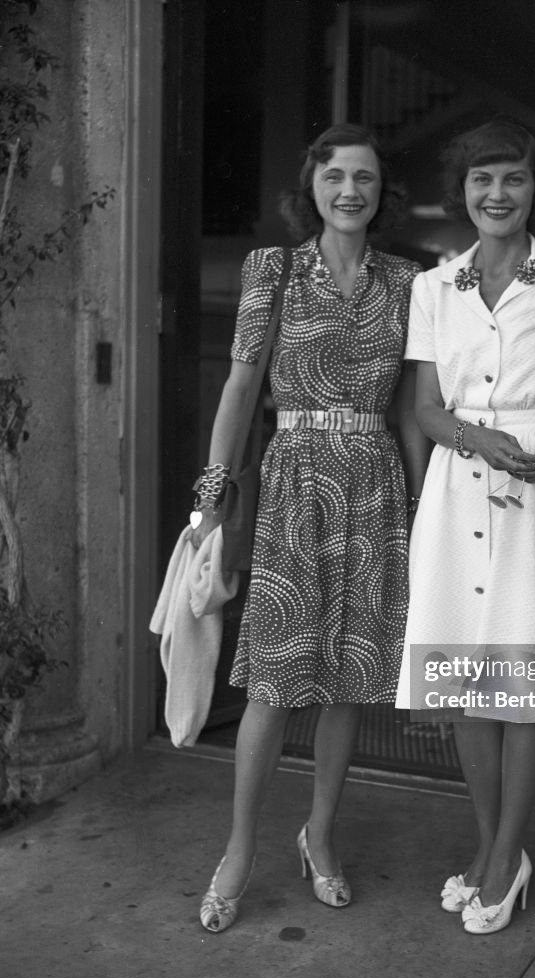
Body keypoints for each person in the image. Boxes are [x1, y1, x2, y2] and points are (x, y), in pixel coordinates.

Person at [193, 124, 427, 933]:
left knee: (349, 681)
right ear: (313, 186)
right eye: (336, 177)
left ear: (381, 190)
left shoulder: (407, 282)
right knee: (273, 680)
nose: (350, 191)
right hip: (295, 481)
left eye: (365, 177)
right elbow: (239, 383)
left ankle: (319, 836)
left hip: (374, 485)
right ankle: (238, 849)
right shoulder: (274, 270)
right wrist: (212, 490)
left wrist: (426, 502)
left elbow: (409, 406)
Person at [396, 118, 535, 935]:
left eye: (514, 179)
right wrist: (474, 436)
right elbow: (424, 407)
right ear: (462, 191)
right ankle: (494, 851)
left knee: (522, 685)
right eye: (483, 179)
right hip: (459, 490)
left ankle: (504, 854)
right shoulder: (434, 286)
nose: (498, 194)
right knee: (465, 686)